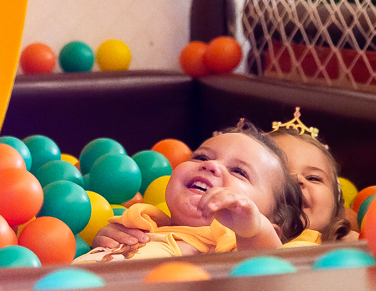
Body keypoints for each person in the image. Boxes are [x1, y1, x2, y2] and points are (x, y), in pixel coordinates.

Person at [78, 121, 305, 262]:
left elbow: (268, 274)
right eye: (201, 157)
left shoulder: (226, 247)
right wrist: (103, 244)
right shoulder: (140, 225)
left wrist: (255, 231)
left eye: (239, 172)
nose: (211, 166)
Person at [268, 108, 358, 243]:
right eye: (281, 173)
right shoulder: (230, 244)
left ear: (335, 210)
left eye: (313, 178)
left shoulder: (352, 249)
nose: (297, 179)